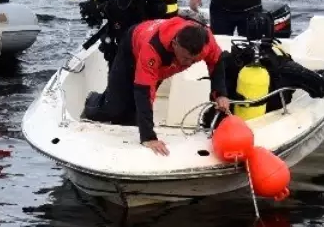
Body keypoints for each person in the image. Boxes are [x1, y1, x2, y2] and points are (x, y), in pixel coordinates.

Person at [82, 16, 231, 156]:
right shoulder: (152, 49)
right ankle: (92, 101)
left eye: (194, 60)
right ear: (175, 45)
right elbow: (144, 91)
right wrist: (149, 137)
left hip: (163, 66)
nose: (188, 64)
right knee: (114, 108)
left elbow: (216, 63)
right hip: (133, 46)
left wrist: (220, 95)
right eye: (186, 58)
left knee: (132, 115)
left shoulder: (206, 42)